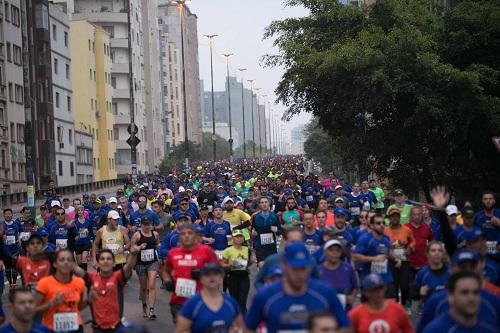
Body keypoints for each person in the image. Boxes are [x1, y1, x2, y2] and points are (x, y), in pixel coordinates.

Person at [245, 242, 350, 333]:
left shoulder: (325, 293)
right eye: (295, 268)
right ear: (283, 266)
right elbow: (248, 329)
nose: (300, 274)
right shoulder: (265, 296)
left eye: (303, 268)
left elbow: (346, 327)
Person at [417, 249, 500, 332]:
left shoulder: (493, 302)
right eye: (462, 267)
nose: (467, 271)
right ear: (451, 270)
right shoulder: (436, 303)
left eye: (471, 266)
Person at [74, 244, 143, 332]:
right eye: (102, 259)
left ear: (114, 263)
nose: (105, 261)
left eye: (109, 259)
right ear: (98, 264)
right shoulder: (91, 278)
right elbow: (74, 268)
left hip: (116, 327)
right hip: (97, 328)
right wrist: (64, 257)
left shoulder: (118, 277)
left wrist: (133, 254)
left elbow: (129, 267)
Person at [162, 223, 218, 324]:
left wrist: (203, 275)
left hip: (201, 301)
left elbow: (219, 271)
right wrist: (167, 280)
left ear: (196, 235)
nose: (186, 236)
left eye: (189, 233)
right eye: (183, 234)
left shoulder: (206, 251)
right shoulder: (173, 253)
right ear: (179, 237)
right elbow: (165, 270)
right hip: (179, 302)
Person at [175, 263, 244, 333]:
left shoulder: (230, 302)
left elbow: (241, 328)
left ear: (221, 278)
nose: (212, 277)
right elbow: (180, 330)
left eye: (215, 274)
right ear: (201, 279)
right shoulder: (192, 304)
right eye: (207, 274)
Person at [422, 271, 497, 333]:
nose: (471, 298)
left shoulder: (489, 329)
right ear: (451, 296)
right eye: (464, 292)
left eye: (476, 292)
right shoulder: (435, 330)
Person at [35, 249, 87, 333]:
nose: (66, 262)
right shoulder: (44, 283)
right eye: (62, 260)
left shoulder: (79, 282)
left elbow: (78, 307)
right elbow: (32, 309)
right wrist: (51, 304)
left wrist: (88, 301)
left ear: (72, 264)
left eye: (69, 260)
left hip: (75, 328)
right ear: (55, 264)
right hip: (52, 329)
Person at [348, 274, 413, 333]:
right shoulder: (356, 314)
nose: (377, 293)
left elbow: (408, 330)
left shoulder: (397, 309)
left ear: (385, 289)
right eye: (373, 290)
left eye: (380, 289)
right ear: (366, 293)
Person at [352, 213, 394, 294]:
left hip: (386, 279)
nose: (382, 225)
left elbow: (389, 253)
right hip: (370, 281)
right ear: (371, 225)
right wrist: (374, 259)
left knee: (390, 303)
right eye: (378, 223)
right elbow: (355, 257)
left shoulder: (386, 239)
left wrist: (395, 258)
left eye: (383, 223)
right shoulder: (365, 239)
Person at [384, 208, 415, 310]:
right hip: (390, 262)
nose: (395, 218)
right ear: (389, 218)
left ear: (399, 217)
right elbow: (381, 243)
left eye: (397, 216)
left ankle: (405, 302)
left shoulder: (406, 230)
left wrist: (410, 248)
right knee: (393, 285)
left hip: (404, 261)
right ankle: (396, 305)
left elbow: (413, 241)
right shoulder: (385, 230)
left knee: (405, 284)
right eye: (393, 216)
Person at [130, 216, 160, 319]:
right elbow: (132, 249)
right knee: (143, 287)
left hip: (153, 262)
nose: (147, 226)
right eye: (145, 224)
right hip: (140, 264)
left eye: (148, 224)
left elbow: (157, 245)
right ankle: (144, 306)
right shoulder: (137, 235)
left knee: (151, 285)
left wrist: (159, 254)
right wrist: (139, 247)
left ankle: (151, 310)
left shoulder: (155, 234)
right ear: (141, 225)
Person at [319, 239, 358, 310]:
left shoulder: (348, 268)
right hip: (326, 312)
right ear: (325, 252)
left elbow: (355, 287)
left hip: (345, 311)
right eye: (331, 250)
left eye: (337, 250)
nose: (335, 253)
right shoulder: (318, 270)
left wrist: (352, 297)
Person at [221, 229, 252, 313]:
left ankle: (244, 319)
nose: (239, 238)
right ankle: (235, 318)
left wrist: (251, 261)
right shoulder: (228, 250)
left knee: (243, 299)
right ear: (232, 238)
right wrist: (229, 265)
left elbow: (249, 263)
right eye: (237, 237)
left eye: (240, 237)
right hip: (232, 277)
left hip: (244, 277)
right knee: (234, 300)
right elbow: (222, 264)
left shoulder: (246, 249)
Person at [250, 196, 282, 267]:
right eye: (262, 203)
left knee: (272, 267)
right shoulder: (256, 217)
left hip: (271, 246)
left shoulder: (274, 216)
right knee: (262, 266)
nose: (264, 204)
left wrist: (276, 230)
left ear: (269, 204)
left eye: (266, 202)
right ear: (259, 205)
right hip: (260, 246)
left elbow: (280, 231)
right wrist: (253, 233)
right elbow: (253, 230)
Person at [474, 190, 500, 257]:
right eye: (485, 199)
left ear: (494, 201)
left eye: (490, 199)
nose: (488, 201)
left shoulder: (499, 214)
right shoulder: (477, 216)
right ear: (482, 201)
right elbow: (471, 232)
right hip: (482, 254)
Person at [73, 205, 92, 270]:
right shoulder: (74, 222)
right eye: (79, 210)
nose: (80, 212)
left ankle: (85, 276)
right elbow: (72, 233)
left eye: (81, 210)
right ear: (76, 212)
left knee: (84, 259)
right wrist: (75, 237)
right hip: (78, 244)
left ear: (83, 211)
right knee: (79, 262)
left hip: (86, 242)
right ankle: (81, 275)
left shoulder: (88, 221)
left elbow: (91, 231)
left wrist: (89, 233)